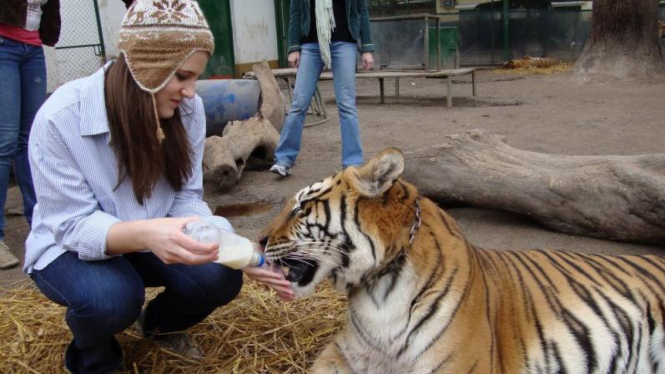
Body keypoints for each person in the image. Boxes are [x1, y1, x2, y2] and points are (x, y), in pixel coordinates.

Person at [24, 1, 293, 373]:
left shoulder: (187, 110)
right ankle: (94, 356)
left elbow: (185, 197)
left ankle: (158, 326)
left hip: (154, 233)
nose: (190, 91)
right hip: (72, 246)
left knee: (220, 276)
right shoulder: (59, 118)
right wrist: (146, 233)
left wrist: (241, 251)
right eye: (182, 76)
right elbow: (71, 226)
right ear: (146, 67)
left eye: (195, 77)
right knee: (111, 298)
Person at [270, 0, 374, 177]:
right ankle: (284, 160)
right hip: (311, 45)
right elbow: (295, 13)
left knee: (347, 105)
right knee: (299, 104)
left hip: (344, 42)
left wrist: (367, 48)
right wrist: (293, 47)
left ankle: (353, 163)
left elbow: (361, 11)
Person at [0, 0, 60, 269]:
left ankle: (43, 225)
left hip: (33, 48)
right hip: (3, 44)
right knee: (5, 142)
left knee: (32, 140)